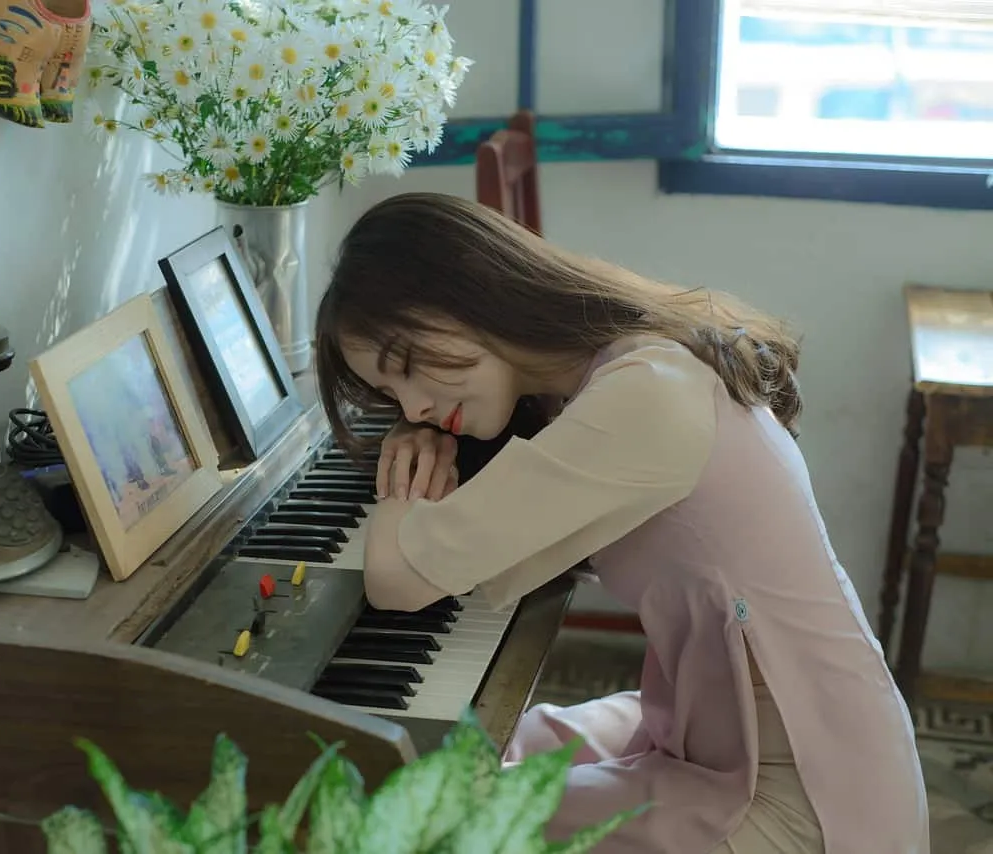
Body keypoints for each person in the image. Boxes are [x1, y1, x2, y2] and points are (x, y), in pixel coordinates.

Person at [312, 192, 928, 854]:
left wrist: (402, 483)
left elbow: (398, 580)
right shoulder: (617, 362)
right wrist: (424, 431)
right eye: (391, 395)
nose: (416, 407)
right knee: (462, 751)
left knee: (418, 817)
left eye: (407, 368)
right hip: (727, 734)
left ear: (471, 290)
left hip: (804, 795)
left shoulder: (644, 397)